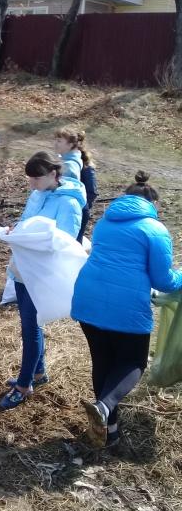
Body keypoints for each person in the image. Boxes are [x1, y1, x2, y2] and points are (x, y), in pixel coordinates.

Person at [71, 171, 182, 447]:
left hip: (87, 299)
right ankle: (105, 407)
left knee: (104, 363)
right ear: (152, 203)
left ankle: (110, 433)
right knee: (133, 362)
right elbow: (163, 280)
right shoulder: (155, 230)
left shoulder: (105, 222)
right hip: (124, 308)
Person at [0, 151, 85, 410]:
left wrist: (30, 241)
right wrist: (17, 230)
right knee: (28, 323)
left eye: (36, 179)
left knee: (31, 328)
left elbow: (64, 242)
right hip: (23, 268)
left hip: (40, 273)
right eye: (30, 179)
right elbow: (28, 222)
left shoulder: (68, 204)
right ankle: (39, 373)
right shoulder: (37, 194)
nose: (31, 184)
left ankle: (24, 385)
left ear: (53, 174)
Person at [78, 151, 98, 244]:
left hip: (80, 209)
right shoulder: (62, 162)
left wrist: (84, 206)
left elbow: (92, 192)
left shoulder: (87, 168)